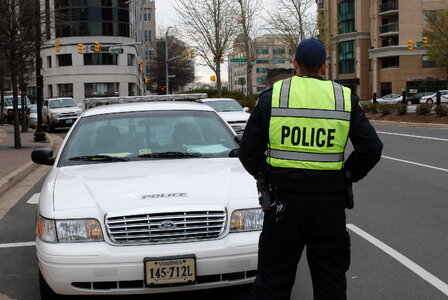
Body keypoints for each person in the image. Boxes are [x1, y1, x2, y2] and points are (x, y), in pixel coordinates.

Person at [238, 38, 383, 300]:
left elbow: (248, 152)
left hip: (282, 204)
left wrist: (268, 176)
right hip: (328, 205)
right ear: (324, 67)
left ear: (295, 64)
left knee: (273, 281)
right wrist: (347, 175)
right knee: (330, 282)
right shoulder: (343, 98)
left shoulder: (274, 96)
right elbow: (371, 148)